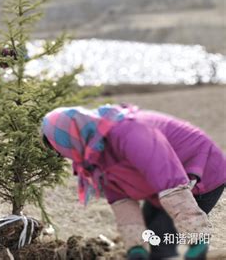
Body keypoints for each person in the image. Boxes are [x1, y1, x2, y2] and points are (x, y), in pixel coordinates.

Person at [40, 104, 225, 260]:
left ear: (70, 138)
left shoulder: (128, 132)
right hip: (163, 185)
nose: (63, 155)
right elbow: (121, 200)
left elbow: (169, 180)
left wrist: (197, 236)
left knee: (162, 238)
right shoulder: (95, 155)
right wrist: (135, 246)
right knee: (151, 235)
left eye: (60, 149)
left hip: (202, 171)